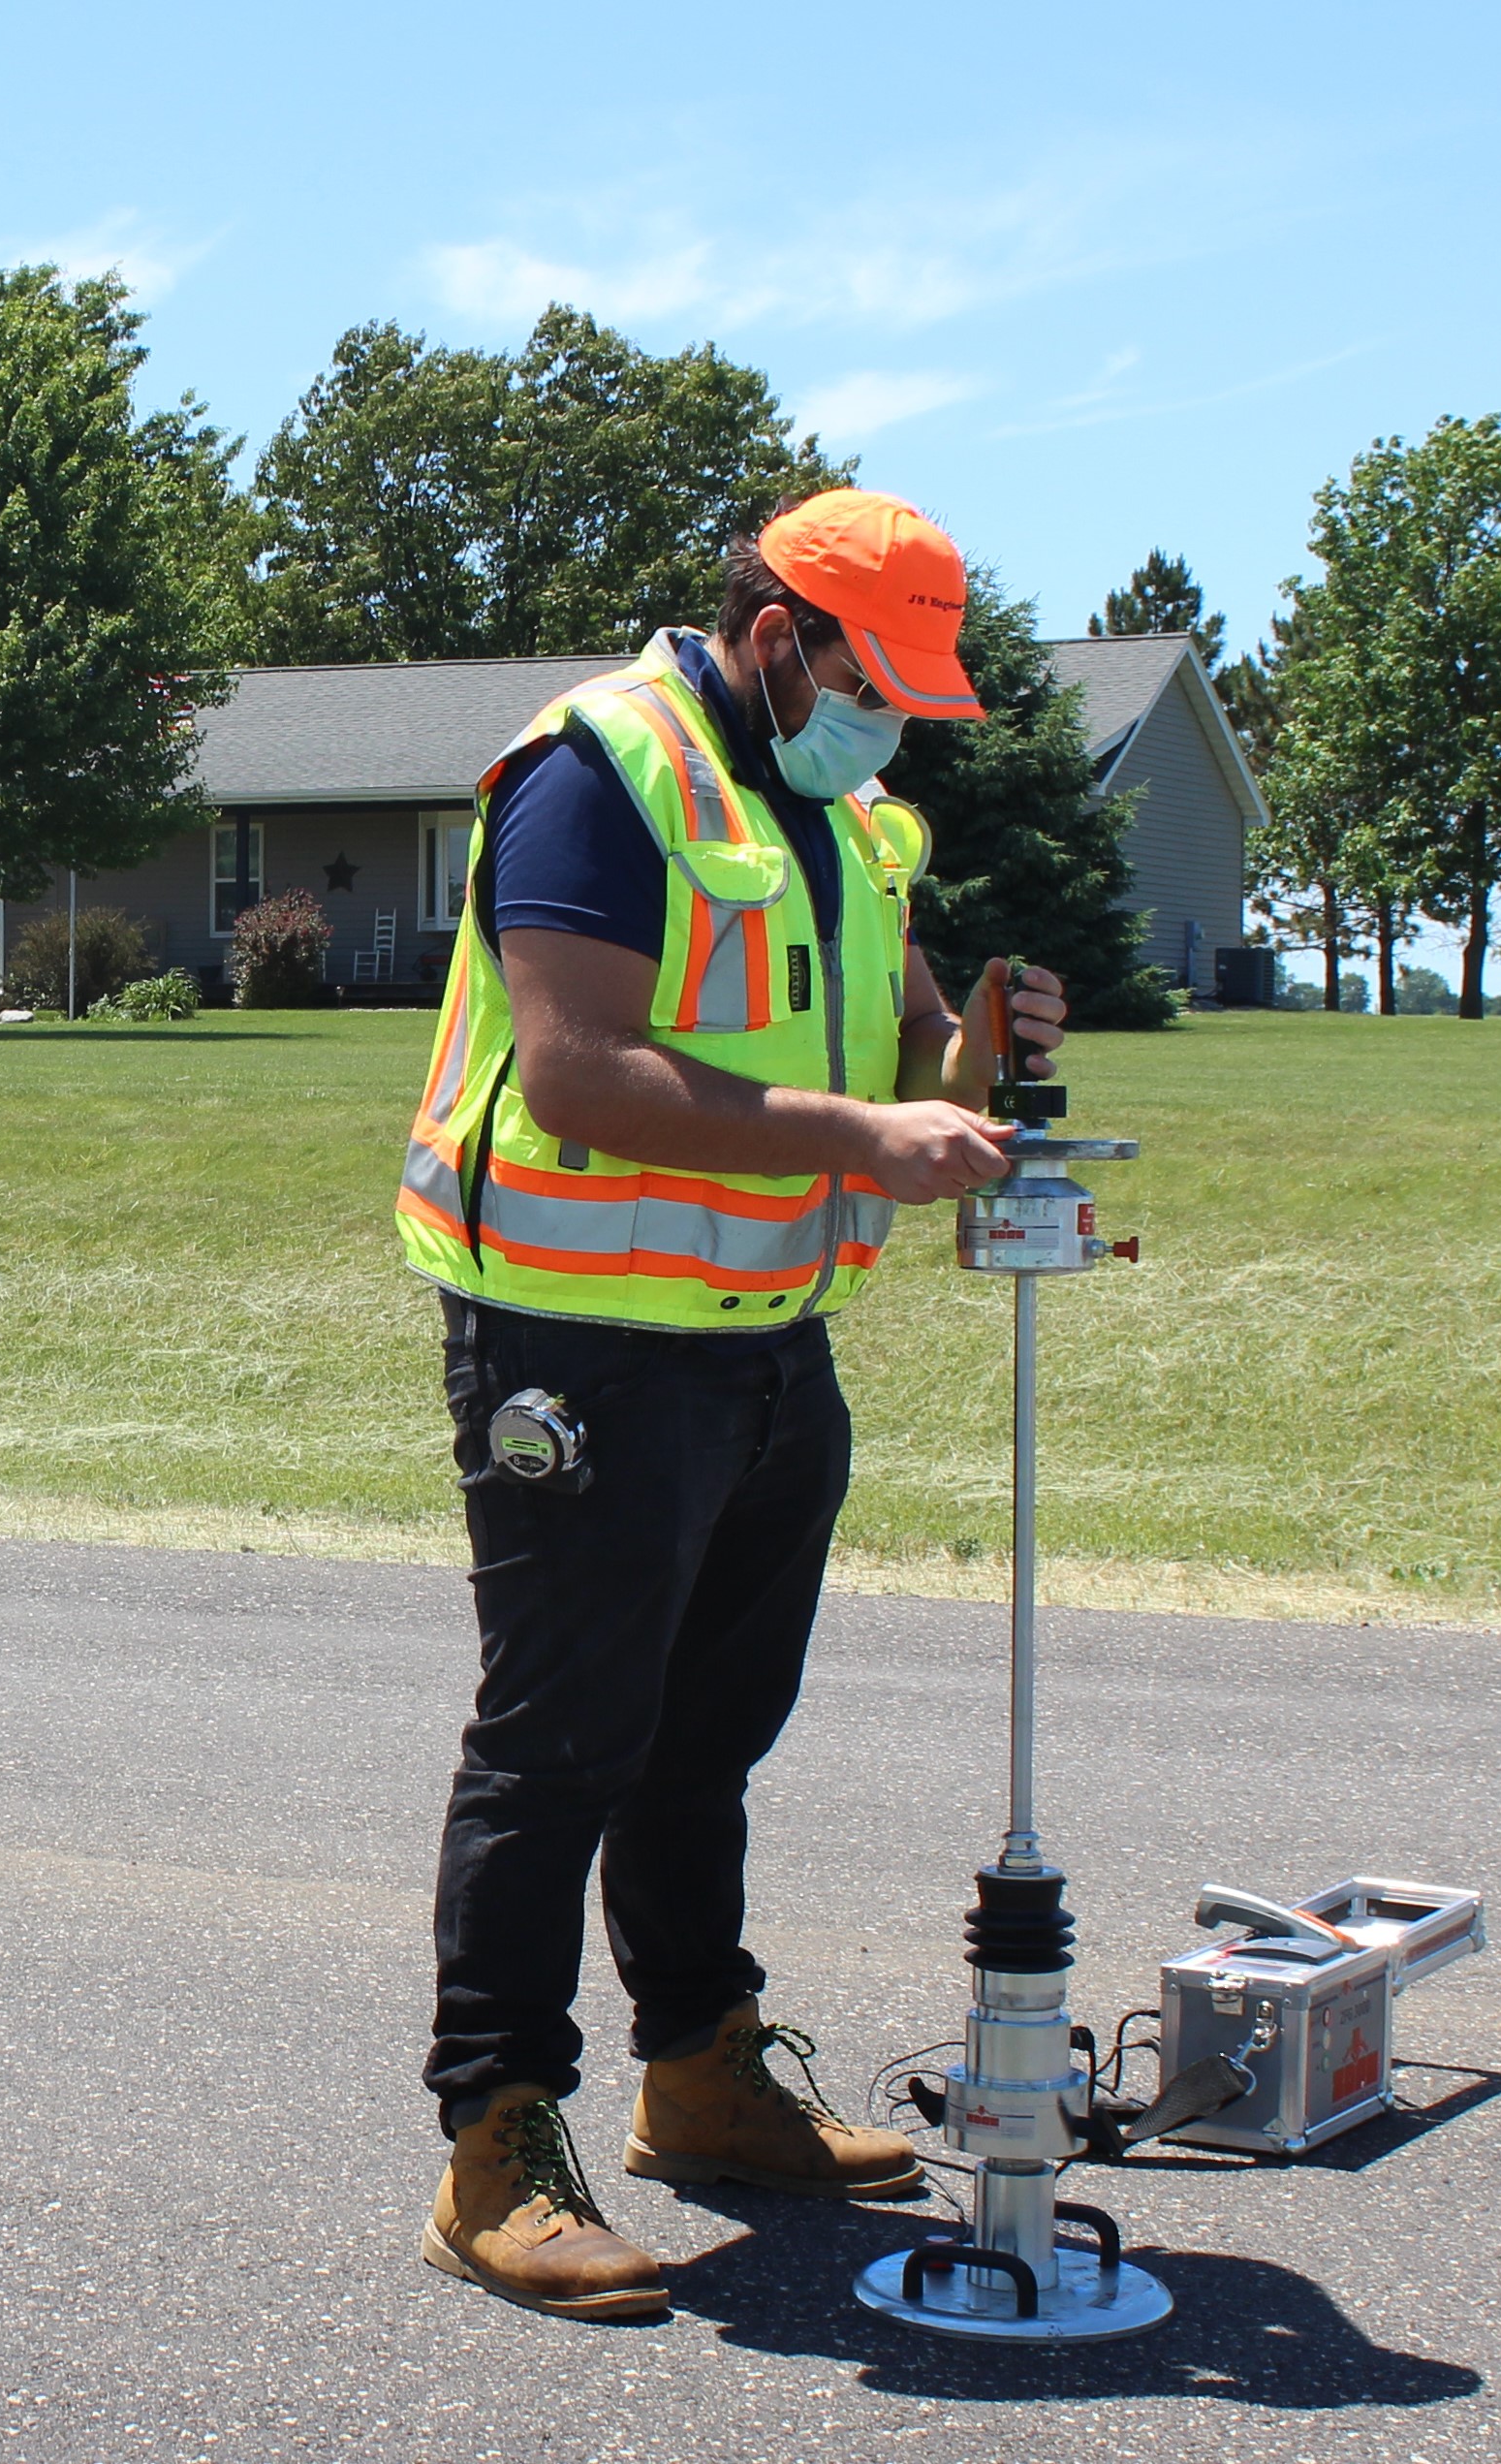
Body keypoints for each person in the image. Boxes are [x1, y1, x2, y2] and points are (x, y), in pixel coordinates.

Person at [395, 490, 1068, 2322]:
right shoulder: (599, 774)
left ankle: (697, 2069)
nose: (898, 718)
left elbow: (908, 1046)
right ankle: (495, 2135)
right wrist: (870, 1136)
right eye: (876, 676)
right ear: (780, 636)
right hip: (583, 1343)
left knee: (710, 1732)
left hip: (773, 1342)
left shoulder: (850, 816)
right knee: (561, 1743)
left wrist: (973, 1046)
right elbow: (585, 1071)